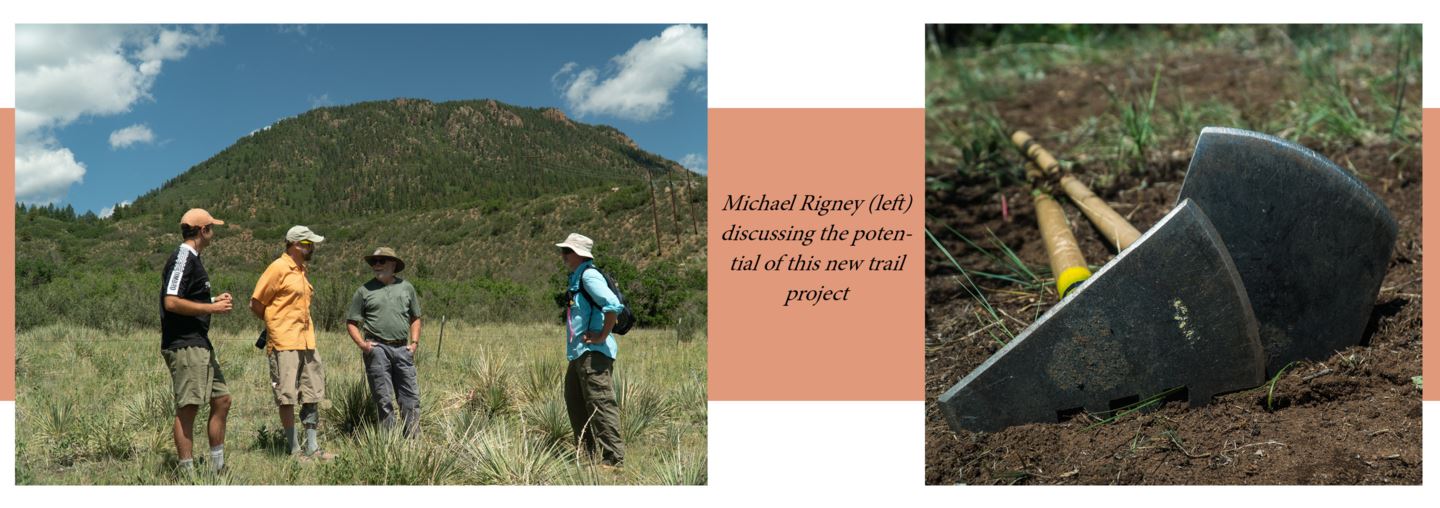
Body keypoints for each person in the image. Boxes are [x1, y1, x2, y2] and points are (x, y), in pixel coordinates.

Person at [250, 225, 335, 461]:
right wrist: (275, 324)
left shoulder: (301, 270)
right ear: (296, 245)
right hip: (284, 341)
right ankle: (294, 449)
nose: (312, 248)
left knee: (311, 392)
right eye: (309, 244)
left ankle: (313, 447)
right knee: (286, 395)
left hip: (307, 341)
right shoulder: (278, 268)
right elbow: (256, 303)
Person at [160, 208, 233, 474]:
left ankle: (217, 467)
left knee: (222, 399)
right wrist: (211, 309)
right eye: (212, 228)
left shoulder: (193, 259)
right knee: (189, 407)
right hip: (184, 343)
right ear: (203, 231)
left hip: (199, 343)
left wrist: (213, 301)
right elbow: (171, 301)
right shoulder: (183, 257)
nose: (214, 233)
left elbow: (185, 297)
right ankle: (187, 474)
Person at [555, 233, 625, 468]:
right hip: (579, 353)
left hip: (593, 353)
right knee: (575, 400)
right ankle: (587, 456)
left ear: (579, 254)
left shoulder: (589, 276)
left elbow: (613, 304)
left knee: (601, 403)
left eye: (567, 251)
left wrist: (602, 334)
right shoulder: (576, 278)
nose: (563, 256)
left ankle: (613, 461)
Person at [345, 247, 423, 436]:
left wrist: (414, 344)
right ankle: (389, 440)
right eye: (374, 262)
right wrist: (363, 346)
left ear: (393, 264)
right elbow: (351, 322)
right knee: (383, 397)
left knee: (410, 395)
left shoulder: (407, 288)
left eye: (381, 261)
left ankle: (413, 438)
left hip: (402, 348)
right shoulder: (364, 291)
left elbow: (416, 317)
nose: (377, 265)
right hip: (376, 348)